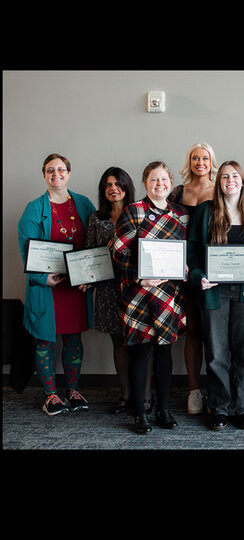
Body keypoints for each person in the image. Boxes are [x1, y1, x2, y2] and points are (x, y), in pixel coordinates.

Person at [188, 161, 244, 430]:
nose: (230, 180)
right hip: (214, 291)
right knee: (217, 354)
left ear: (243, 181)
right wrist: (199, 277)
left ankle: (243, 408)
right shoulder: (204, 212)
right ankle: (219, 407)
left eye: (235, 176)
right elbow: (193, 251)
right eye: (224, 177)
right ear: (218, 181)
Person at [113, 161, 189, 434]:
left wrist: (186, 266)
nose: (160, 184)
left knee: (165, 351)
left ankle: (164, 409)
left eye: (164, 180)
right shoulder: (133, 211)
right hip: (138, 294)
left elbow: (185, 251)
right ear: (146, 183)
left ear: (170, 183)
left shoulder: (180, 214)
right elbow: (119, 252)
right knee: (141, 352)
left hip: (168, 294)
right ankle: (140, 413)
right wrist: (138, 276)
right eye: (154, 180)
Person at [18, 153, 96, 415]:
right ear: (44, 175)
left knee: (74, 340)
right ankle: (51, 395)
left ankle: (72, 390)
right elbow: (25, 249)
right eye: (50, 170)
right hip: (47, 289)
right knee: (44, 343)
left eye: (61, 169)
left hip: (75, 288)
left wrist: (89, 276)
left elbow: (94, 245)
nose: (56, 174)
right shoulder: (34, 208)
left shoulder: (84, 204)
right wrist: (43, 278)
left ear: (69, 173)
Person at [84, 167, 151, 415]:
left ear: (126, 186)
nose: (113, 188)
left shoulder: (140, 212)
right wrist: (85, 279)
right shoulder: (96, 218)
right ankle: (125, 395)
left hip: (137, 285)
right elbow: (90, 252)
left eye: (118, 184)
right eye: (108, 185)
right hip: (108, 287)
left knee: (141, 343)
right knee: (119, 343)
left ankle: (144, 397)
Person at [168, 142, 219, 415]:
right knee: (193, 332)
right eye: (195, 158)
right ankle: (194, 391)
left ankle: (218, 391)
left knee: (217, 333)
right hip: (183, 270)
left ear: (213, 161)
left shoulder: (221, 188)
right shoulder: (178, 192)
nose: (200, 162)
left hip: (214, 270)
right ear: (189, 162)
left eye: (205, 158)